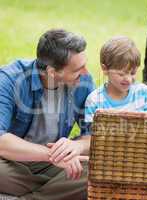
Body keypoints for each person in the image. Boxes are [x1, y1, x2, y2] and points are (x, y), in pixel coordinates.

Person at [0, 29, 95, 200]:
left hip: (53, 165)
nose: (86, 73)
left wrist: (76, 147)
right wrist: (53, 155)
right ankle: (55, 192)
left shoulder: (84, 82)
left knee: (97, 169)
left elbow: (93, 135)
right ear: (52, 72)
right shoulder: (9, 79)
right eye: (78, 69)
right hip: (12, 160)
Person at [84, 36, 147, 123]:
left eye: (133, 73)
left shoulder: (144, 93)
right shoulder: (95, 101)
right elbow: (92, 134)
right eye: (121, 74)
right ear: (105, 69)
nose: (128, 79)